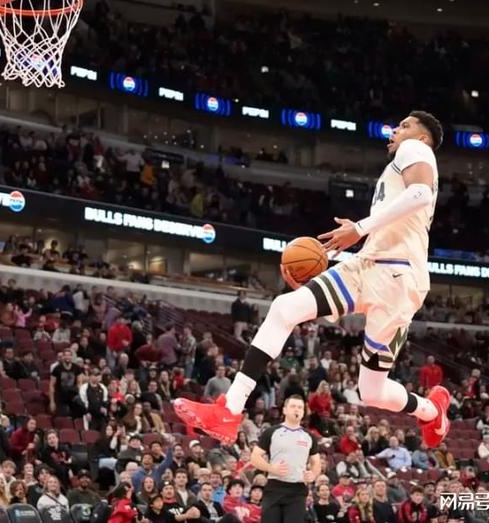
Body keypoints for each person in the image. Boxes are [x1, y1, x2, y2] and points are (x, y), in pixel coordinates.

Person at [175, 111, 449, 448]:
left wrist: (359, 228)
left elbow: (420, 194)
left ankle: (432, 411)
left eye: (405, 126)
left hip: (395, 272)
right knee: (294, 317)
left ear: (422, 138)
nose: (395, 130)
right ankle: (229, 410)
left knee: (364, 383)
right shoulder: (401, 165)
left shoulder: (415, 149)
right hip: (375, 266)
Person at [248, 395, 321, 523]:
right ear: (285, 410)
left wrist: (313, 474)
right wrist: (271, 468)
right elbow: (254, 457)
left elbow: (316, 462)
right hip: (275, 487)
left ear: (303, 412)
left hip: (297, 490)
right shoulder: (272, 432)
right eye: (293, 406)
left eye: (300, 407)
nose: (296, 409)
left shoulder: (309, 436)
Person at [49, 348, 85, 416]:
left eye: (69, 355)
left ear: (71, 357)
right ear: (63, 357)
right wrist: (52, 401)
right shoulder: (57, 369)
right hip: (61, 396)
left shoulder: (77, 368)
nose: (67, 357)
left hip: (73, 395)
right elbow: (52, 385)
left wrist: (80, 396)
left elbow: (79, 383)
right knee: (64, 414)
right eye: (65, 355)